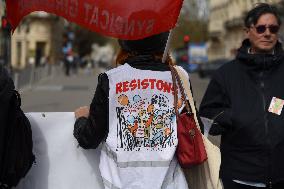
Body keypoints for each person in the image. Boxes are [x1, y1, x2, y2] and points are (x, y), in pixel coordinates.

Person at [73, 32, 190, 189]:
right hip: (169, 183)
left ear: (126, 46)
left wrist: (81, 119)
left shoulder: (111, 79)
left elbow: (89, 138)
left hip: (120, 184)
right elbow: (193, 131)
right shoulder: (179, 78)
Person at [199, 3, 284, 189]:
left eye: (273, 28)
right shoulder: (226, 74)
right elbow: (206, 116)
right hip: (240, 177)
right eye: (261, 28)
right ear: (248, 31)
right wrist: (236, 116)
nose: (267, 33)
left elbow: (277, 109)